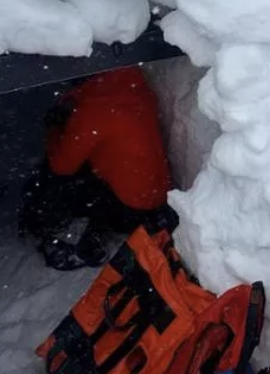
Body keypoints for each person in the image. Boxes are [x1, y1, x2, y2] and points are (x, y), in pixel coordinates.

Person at [19, 66, 174, 271]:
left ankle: (63, 231)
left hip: (129, 211)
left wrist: (55, 129)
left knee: (55, 176)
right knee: (89, 154)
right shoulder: (132, 86)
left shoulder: (93, 110)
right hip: (158, 198)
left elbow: (60, 166)